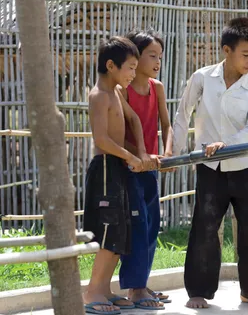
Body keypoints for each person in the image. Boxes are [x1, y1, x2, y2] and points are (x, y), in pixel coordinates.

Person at [172, 17, 248, 309]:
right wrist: (172, 154)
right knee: (205, 226)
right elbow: (182, 114)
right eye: (245, 54)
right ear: (226, 50)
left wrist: (227, 146)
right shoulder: (202, 78)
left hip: (243, 166)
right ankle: (199, 291)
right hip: (209, 168)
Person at [82, 36, 159, 315]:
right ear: (111, 65)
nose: (132, 74)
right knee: (107, 231)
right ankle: (92, 291)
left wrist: (141, 151)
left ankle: (105, 289)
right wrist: (131, 157)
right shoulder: (99, 95)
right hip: (105, 168)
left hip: (120, 168)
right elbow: (101, 139)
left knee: (120, 230)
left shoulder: (116, 92)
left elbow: (134, 120)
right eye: (129, 68)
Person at [117, 29, 174, 310]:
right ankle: (134, 289)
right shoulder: (122, 89)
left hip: (151, 166)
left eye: (160, 56)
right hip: (129, 166)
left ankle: (142, 283)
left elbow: (166, 123)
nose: (157, 61)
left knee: (152, 225)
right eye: (152, 55)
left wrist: (168, 151)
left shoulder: (157, 88)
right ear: (135, 57)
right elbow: (121, 132)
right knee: (137, 225)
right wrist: (141, 155)